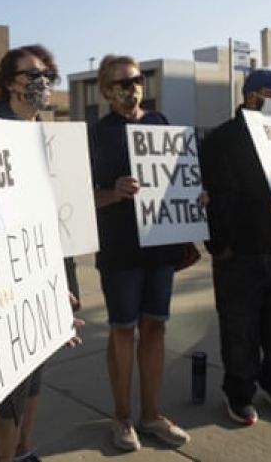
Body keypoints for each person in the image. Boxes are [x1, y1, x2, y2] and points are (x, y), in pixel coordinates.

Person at [0, 44, 81, 462]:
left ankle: (22, 448)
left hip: (50, 262)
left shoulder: (50, 135)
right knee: (9, 379)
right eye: (31, 75)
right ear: (8, 82)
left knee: (37, 367)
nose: (41, 83)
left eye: (47, 75)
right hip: (4, 270)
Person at [200, 69, 271, 426]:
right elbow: (206, 195)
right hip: (239, 253)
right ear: (251, 96)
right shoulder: (222, 139)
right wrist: (217, 245)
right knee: (239, 329)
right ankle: (239, 392)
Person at [89, 55, 190, 452]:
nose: (128, 88)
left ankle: (151, 414)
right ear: (104, 91)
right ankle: (122, 417)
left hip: (160, 245)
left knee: (155, 326)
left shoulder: (161, 124)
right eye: (118, 83)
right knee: (122, 330)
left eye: (134, 79)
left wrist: (193, 192)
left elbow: (180, 175)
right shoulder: (97, 134)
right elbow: (81, 198)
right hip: (119, 248)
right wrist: (112, 193)